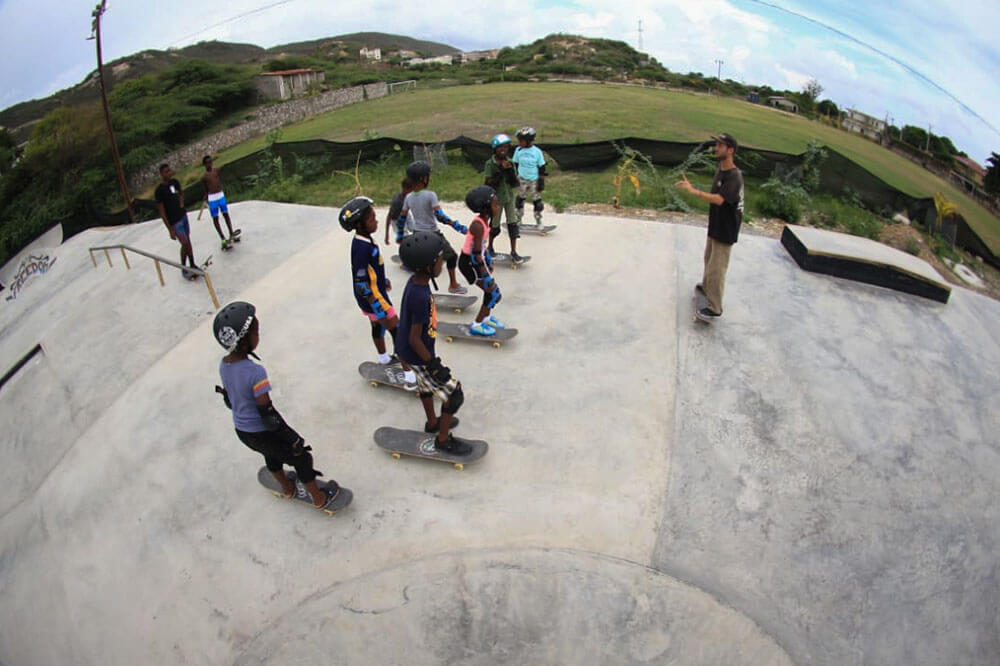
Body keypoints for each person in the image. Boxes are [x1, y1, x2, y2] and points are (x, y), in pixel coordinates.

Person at [213, 301, 341, 509]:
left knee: (270, 454)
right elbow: (268, 415)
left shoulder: (224, 364)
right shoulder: (255, 373)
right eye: (256, 331)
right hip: (262, 430)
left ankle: (288, 488)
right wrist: (293, 439)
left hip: (243, 432)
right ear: (245, 341)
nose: (258, 336)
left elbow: (231, 398)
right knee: (302, 459)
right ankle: (319, 498)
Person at [395, 231, 472, 453]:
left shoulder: (417, 282)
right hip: (417, 353)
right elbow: (414, 338)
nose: (442, 263)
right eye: (439, 260)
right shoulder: (420, 294)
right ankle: (443, 440)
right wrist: (435, 366)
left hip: (410, 352)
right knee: (454, 395)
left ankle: (432, 423)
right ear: (428, 265)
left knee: (425, 388)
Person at [339, 196, 417, 386]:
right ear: (359, 224)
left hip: (371, 296)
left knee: (377, 326)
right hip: (374, 298)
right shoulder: (362, 247)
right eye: (371, 219)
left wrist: (384, 280)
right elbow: (360, 280)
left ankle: (383, 359)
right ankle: (410, 377)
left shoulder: (364, 240)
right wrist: (377, 304)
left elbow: (370, 271)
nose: (376, 221)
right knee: (398, 331)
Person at [674, 133, 745, 320]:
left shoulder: (734, 176)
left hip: (726, 229)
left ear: (730, 150)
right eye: (716, 144)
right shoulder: (721, 170)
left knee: (717, 268)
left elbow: (720, 200)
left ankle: (715, 307)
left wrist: (693, 191)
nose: (716, 147)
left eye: (721, 145)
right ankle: (706, 289)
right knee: (708, 260)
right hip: (716, 225)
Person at [396, 160, 469, 294]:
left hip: (417, 234)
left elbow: (402, 218)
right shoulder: (430, 195)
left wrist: (401, 237)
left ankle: (420, 288)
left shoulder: (408, 197)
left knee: (423, 265)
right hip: (433, 235)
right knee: (452, 256)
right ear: (424, 179)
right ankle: (453, 284)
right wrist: (458, 227)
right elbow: (440, 216)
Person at [459, 186, 505, 336]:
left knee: (492, 292)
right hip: (469, 264)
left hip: (477, 261)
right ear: (486, 208)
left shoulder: (485, 221)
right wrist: (485, 275)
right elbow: (476, 254)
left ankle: (486, 318)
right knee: (492, 292)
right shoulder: (478, 225)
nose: (497, 207)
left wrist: (489, 261)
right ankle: (477, 325)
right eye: (495, 204)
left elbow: (483, 249)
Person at [483, 133, 523, 262]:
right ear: (495, 149)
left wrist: (510, 171)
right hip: (496, 199)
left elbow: (514, 183)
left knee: (513, 224)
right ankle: (490, 247)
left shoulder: (510, 162)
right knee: (495, 227)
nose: (503, 150)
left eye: (506, 148)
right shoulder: (490, 164)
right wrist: (500, 170)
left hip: (509, 197)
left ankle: (514, 251)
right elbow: (488, 183)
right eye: (500, 148)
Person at [154, 164, 197, 279]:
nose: (168, 173)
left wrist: (182, 204)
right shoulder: (159, 191)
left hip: (183, 216)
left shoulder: (174, 182)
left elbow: (181, 192)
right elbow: (162, 212)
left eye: (169, 171)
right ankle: (184, 268)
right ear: (161, 174)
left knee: (188, 240)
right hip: (174, 222)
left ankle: (192, 264)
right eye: (166, 172)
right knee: (184, 243)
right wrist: (170, 229)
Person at [512, 126, 547, 229]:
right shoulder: (518, 150)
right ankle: (518, 219)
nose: (519, 142)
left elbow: (542, 167)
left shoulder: (537, 152)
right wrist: (515, 177)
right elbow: (516, 164)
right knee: (519, 200)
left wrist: (541, 181)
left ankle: (538, 220)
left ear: (528, 141)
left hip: (534, 180)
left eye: (521, 141)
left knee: (537, 202)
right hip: (522, 179)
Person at [201, 155, 238, 250]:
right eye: (207, 163)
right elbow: (206, 188)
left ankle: (231, 233)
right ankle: (222, 238)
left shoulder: (216, 170)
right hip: (212, 198)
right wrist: (206, 196)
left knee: (226, 214)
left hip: (220, 195)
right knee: (215, 218)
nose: (209, 164)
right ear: (204, 165)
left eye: (210, 162)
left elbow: (218, 180)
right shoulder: (204, 176)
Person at [385, 177, 415, 245]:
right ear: (405, 189)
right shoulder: (397, 201)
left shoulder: (408, 196)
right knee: (405, 239)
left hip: (406, 215)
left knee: (417, 230)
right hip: (397, 220)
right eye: (411, 190)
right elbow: (389, 216)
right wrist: (387, 235)